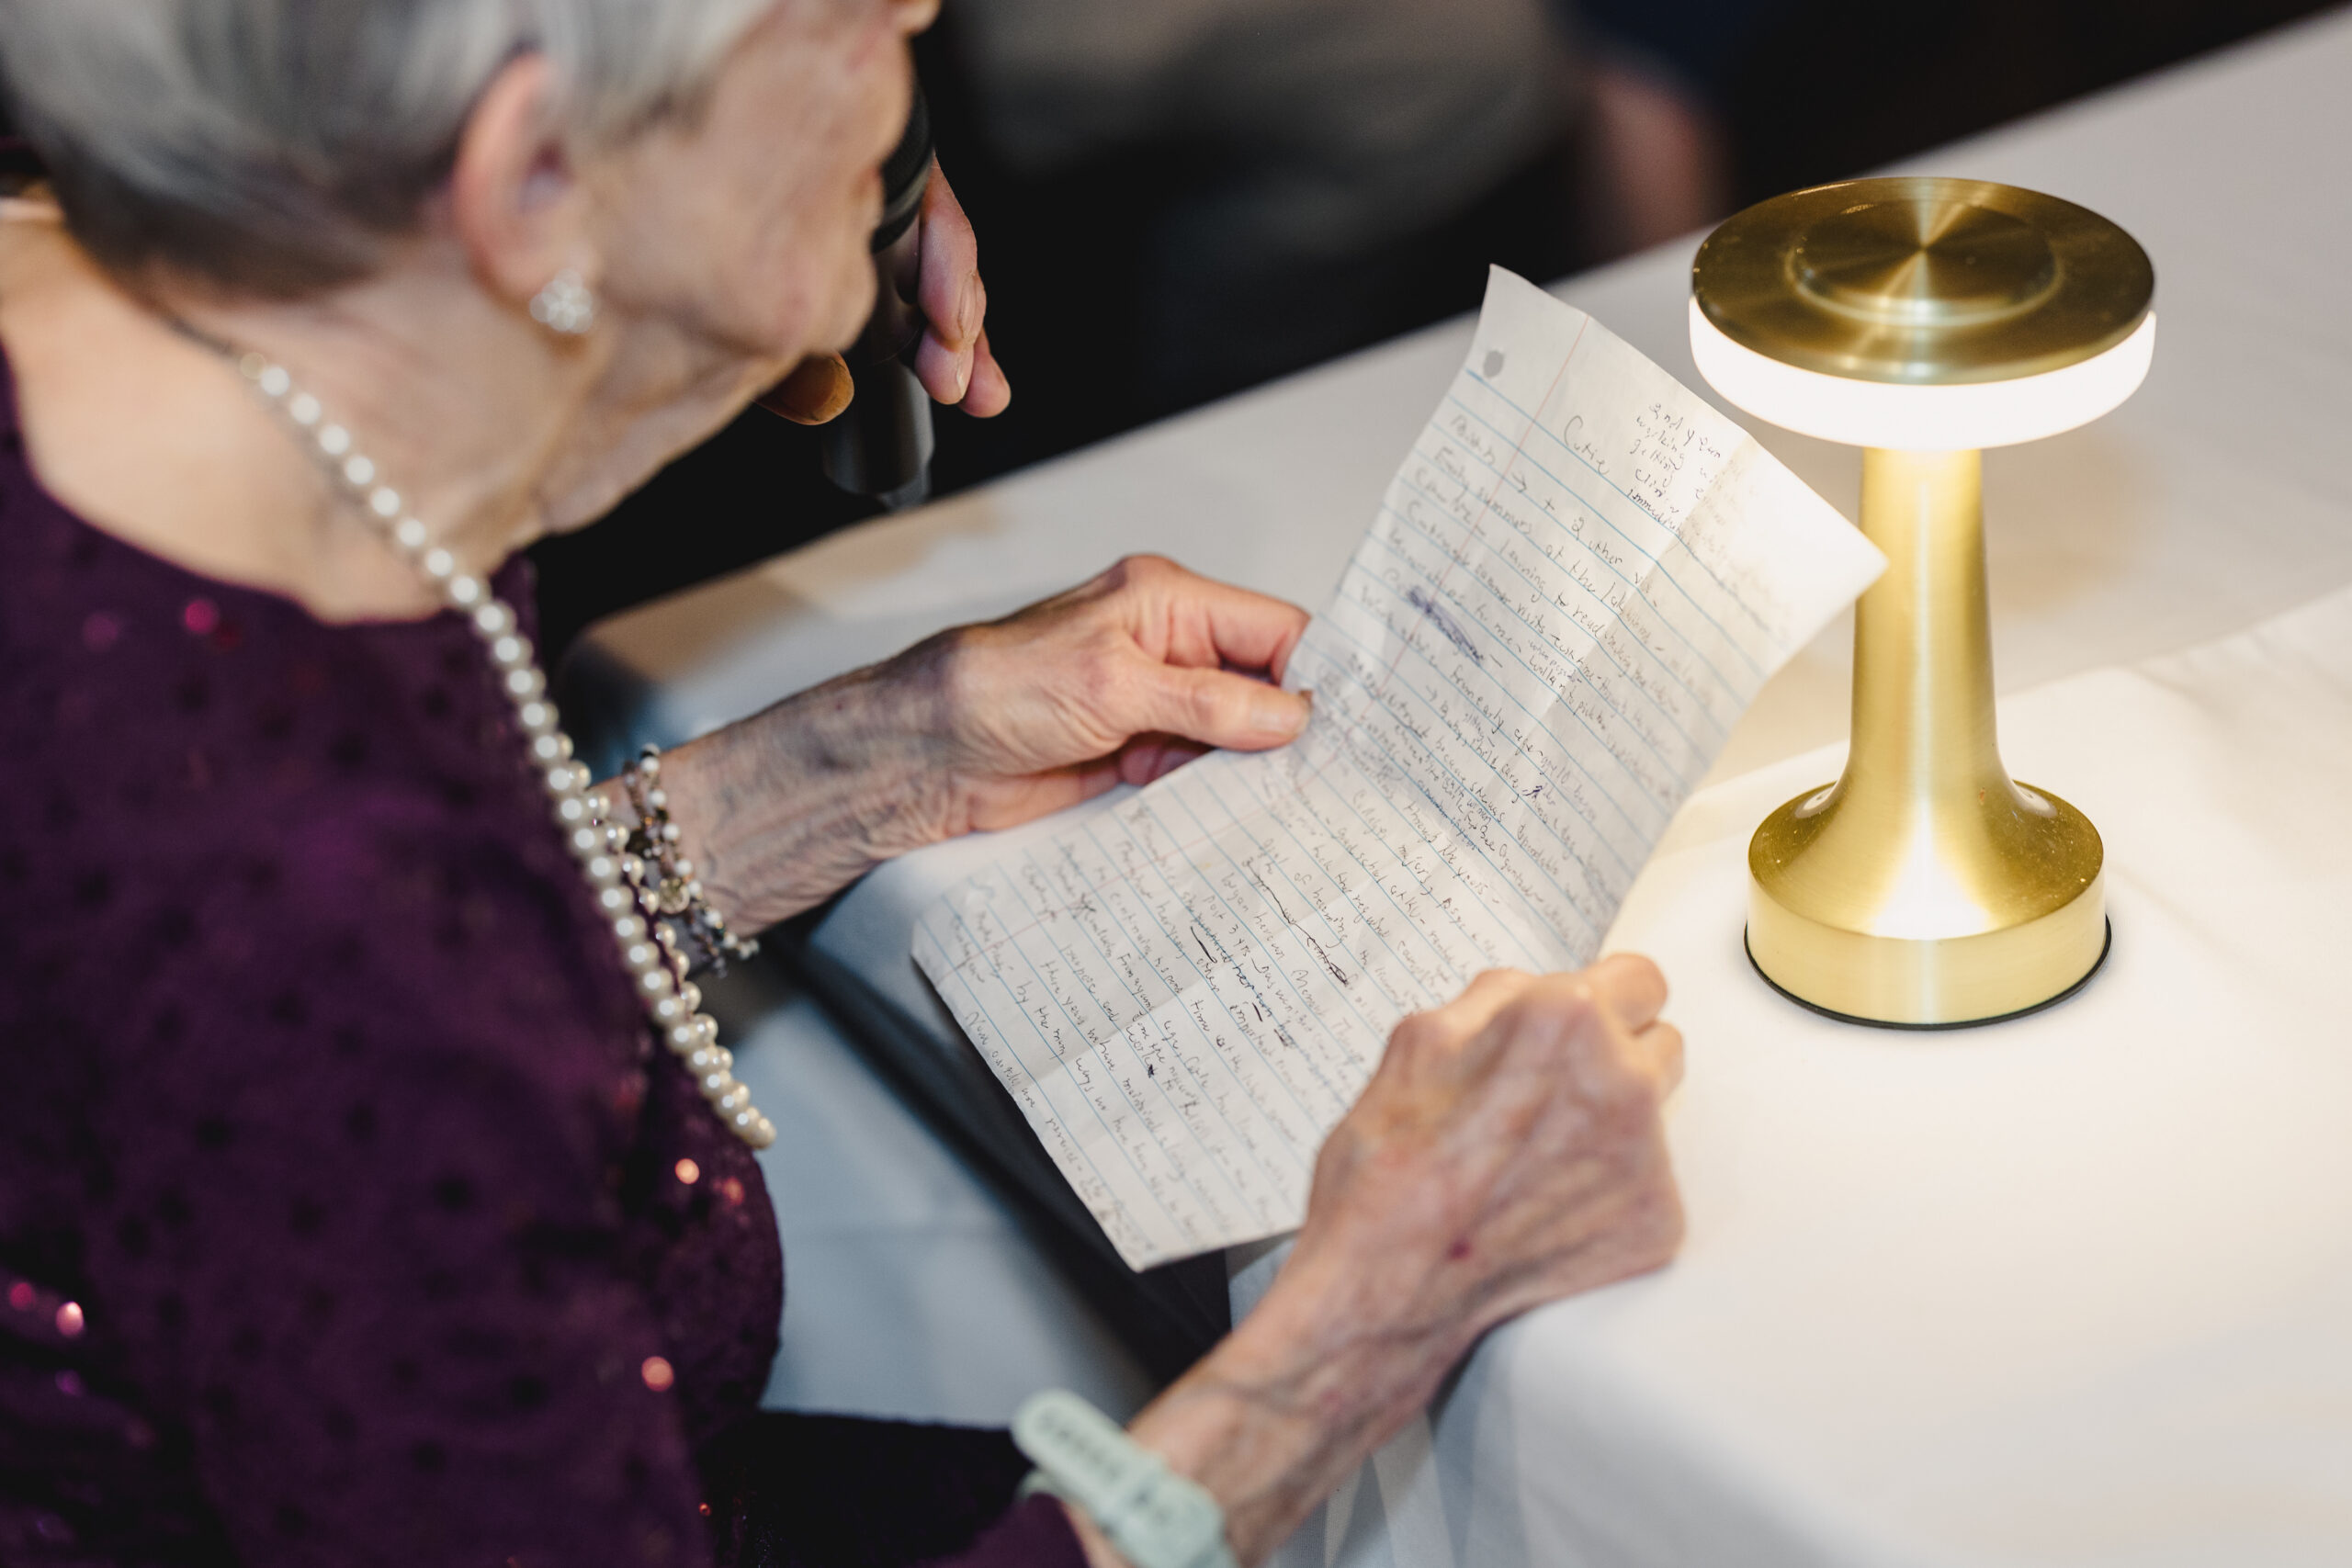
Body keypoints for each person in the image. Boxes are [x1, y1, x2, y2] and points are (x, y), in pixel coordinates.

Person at [0, 2, 1685, 1564]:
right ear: (530, 181)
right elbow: (340, 1017)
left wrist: (850, 766)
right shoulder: (305, 917)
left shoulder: (218, 380)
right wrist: (1358, 1330)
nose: (920, 21)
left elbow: (256, 1074)